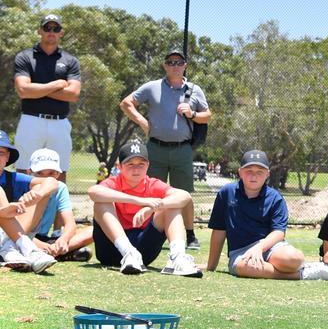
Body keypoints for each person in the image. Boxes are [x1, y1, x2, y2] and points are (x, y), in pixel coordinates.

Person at [120, 46, 212, 251]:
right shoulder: (152, 87)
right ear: (164, 65)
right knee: (150, 192)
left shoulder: (195, 90)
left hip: (182, 150)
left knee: (184, 194)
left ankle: (189, 235)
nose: (175, 66)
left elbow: (208, 115)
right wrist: (143, 122)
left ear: (185, 66)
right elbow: (126, 103)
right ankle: (148, 231)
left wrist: (192, 114)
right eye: (171, 62)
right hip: (155, 149)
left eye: (179, 62)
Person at [203, 149, 328, 280]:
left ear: (267, 174)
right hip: (241, 252)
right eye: (249, 171)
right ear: (240, 172)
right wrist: (211, 266)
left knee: (294, 259)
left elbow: (278, 232)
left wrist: (259, 248)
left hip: (271, 247)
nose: (254, 176)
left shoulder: (275, 198)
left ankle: (296, 267)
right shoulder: (226, 193)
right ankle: (303, 274)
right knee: (247, 267)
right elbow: (219, 231)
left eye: (260, 172)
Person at [87, 139, 201, 277]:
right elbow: (93, 192)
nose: (136, 169)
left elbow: (185, 196)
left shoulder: (153, 184)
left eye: (141, 164)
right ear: (120, 166)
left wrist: (153, 207)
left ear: (148, 165)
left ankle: (177, 258)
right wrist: (140, 201)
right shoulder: (113, 182)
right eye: (130, 164)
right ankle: (128, 253)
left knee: (172, 205)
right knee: (101, 203)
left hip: (143, 252)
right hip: (110, 250)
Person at [13, 13, 81, 180]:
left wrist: (36, 89)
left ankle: (58, 206)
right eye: (47, 28)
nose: (51, 31)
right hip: (31, 119)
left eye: (55, 28)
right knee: (23, 169)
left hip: (60, 123)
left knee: (59, 171)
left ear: (61, 33)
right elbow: (23, 90)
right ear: (40, 31)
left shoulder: (70, 61)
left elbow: (73, 94)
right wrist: (57, 84)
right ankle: (23, 206)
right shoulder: (25, 57)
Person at [0, 133, 58, 273]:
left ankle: (13, 248)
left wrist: (37, 195)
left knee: (40, 188)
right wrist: (3, 212)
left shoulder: (12, 178)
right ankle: (24, 248)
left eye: (1, 153)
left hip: (10, 235)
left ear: (8, 157)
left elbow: (52, 182)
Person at [19, 148, 91, 261]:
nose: (46, 179)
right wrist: (46, 246)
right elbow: (17, 232)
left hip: (44, 238)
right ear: (29, 172)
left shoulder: (60, 187)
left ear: (58, 173)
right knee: (19, 240)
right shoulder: (22, 185)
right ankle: (53, 253)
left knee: (92, 232)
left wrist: (63, 240)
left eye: (51, 173)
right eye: (39, 173)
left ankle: (48, 252)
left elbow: (70, 225)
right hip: (22, 237)